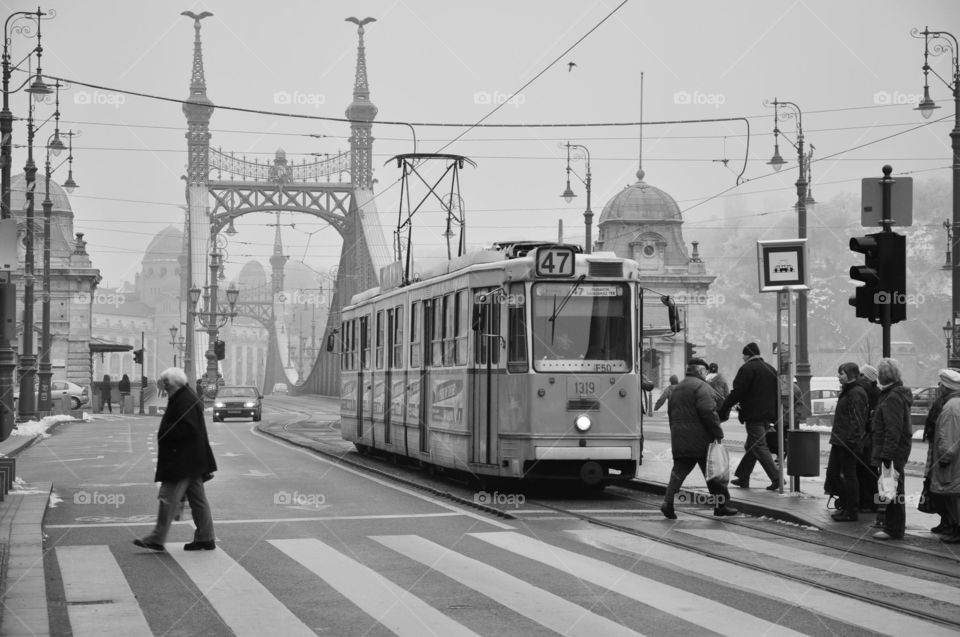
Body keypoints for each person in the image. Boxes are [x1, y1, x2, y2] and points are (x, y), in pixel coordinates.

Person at [134, 367, 218, 552]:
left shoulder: (184, 400)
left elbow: (189, 430)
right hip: (191, 459)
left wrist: (168, 435)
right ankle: (206, 537)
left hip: (182, 460)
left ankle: (157, 538)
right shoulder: (183, 396)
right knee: (198, 500)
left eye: (166, 384)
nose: (164, 388)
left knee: (167, 498)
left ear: (174, 383)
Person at [661, 358, 738, 519]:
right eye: (705, 370)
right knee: (714, 474)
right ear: (701, 371)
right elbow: (708, 411)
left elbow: (671, 415)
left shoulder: (677, 388)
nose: (707, 373)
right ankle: (721, 506)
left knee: (678, 473)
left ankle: (668, 503)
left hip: (681, 438)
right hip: (701, 441)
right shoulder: (701, 387)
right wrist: (718, 432)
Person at [719, 342, 780, 491]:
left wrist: (724, 407)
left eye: (743, 356)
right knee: (751, 446)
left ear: (747, 355)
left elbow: (738, 392)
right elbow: (777, 393)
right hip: (768, 415)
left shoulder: (747, 369)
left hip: (754, 415)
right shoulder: (771, 369)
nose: (743, 358)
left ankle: (777, 478)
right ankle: (743, 477)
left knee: (758, 446)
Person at [869, 358, 913, 540]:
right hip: (894, 450)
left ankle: (894, 529)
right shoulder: (891, 394)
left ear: (884, 376)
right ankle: (892, 526)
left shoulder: (892, 397)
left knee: (893, 489)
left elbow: (893, 429)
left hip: (892, 452)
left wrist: (887, 455)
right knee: (891, 488)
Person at [826, 362, 869, 522]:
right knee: (833, 474)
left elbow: (857, 420)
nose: (839, 376)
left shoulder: (856, 393)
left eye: (842, 373)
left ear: (851, 375)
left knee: (849, 475)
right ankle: (846, 505)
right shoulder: (848, 391)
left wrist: (852, 440)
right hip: (839, 439)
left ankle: (851, 510)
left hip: (847, 441)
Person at [927, 369, 960, 542]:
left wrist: (944, 458)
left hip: (952, 463)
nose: (938, 387)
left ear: (945, 387)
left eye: (940, 384)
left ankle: (957, 530)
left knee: (954, 497)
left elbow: (948, 437)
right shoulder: (955, 404)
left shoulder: (951, 407)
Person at [856, 364, 882, 514]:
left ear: (866, 377)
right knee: (869, 470)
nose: (858, 377)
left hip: (868, 438)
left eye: (861, 375)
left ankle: (868, 502)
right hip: (869, 437)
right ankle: (871, 502)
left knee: (866, 470)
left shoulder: (869, 392)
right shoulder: (875, 391)